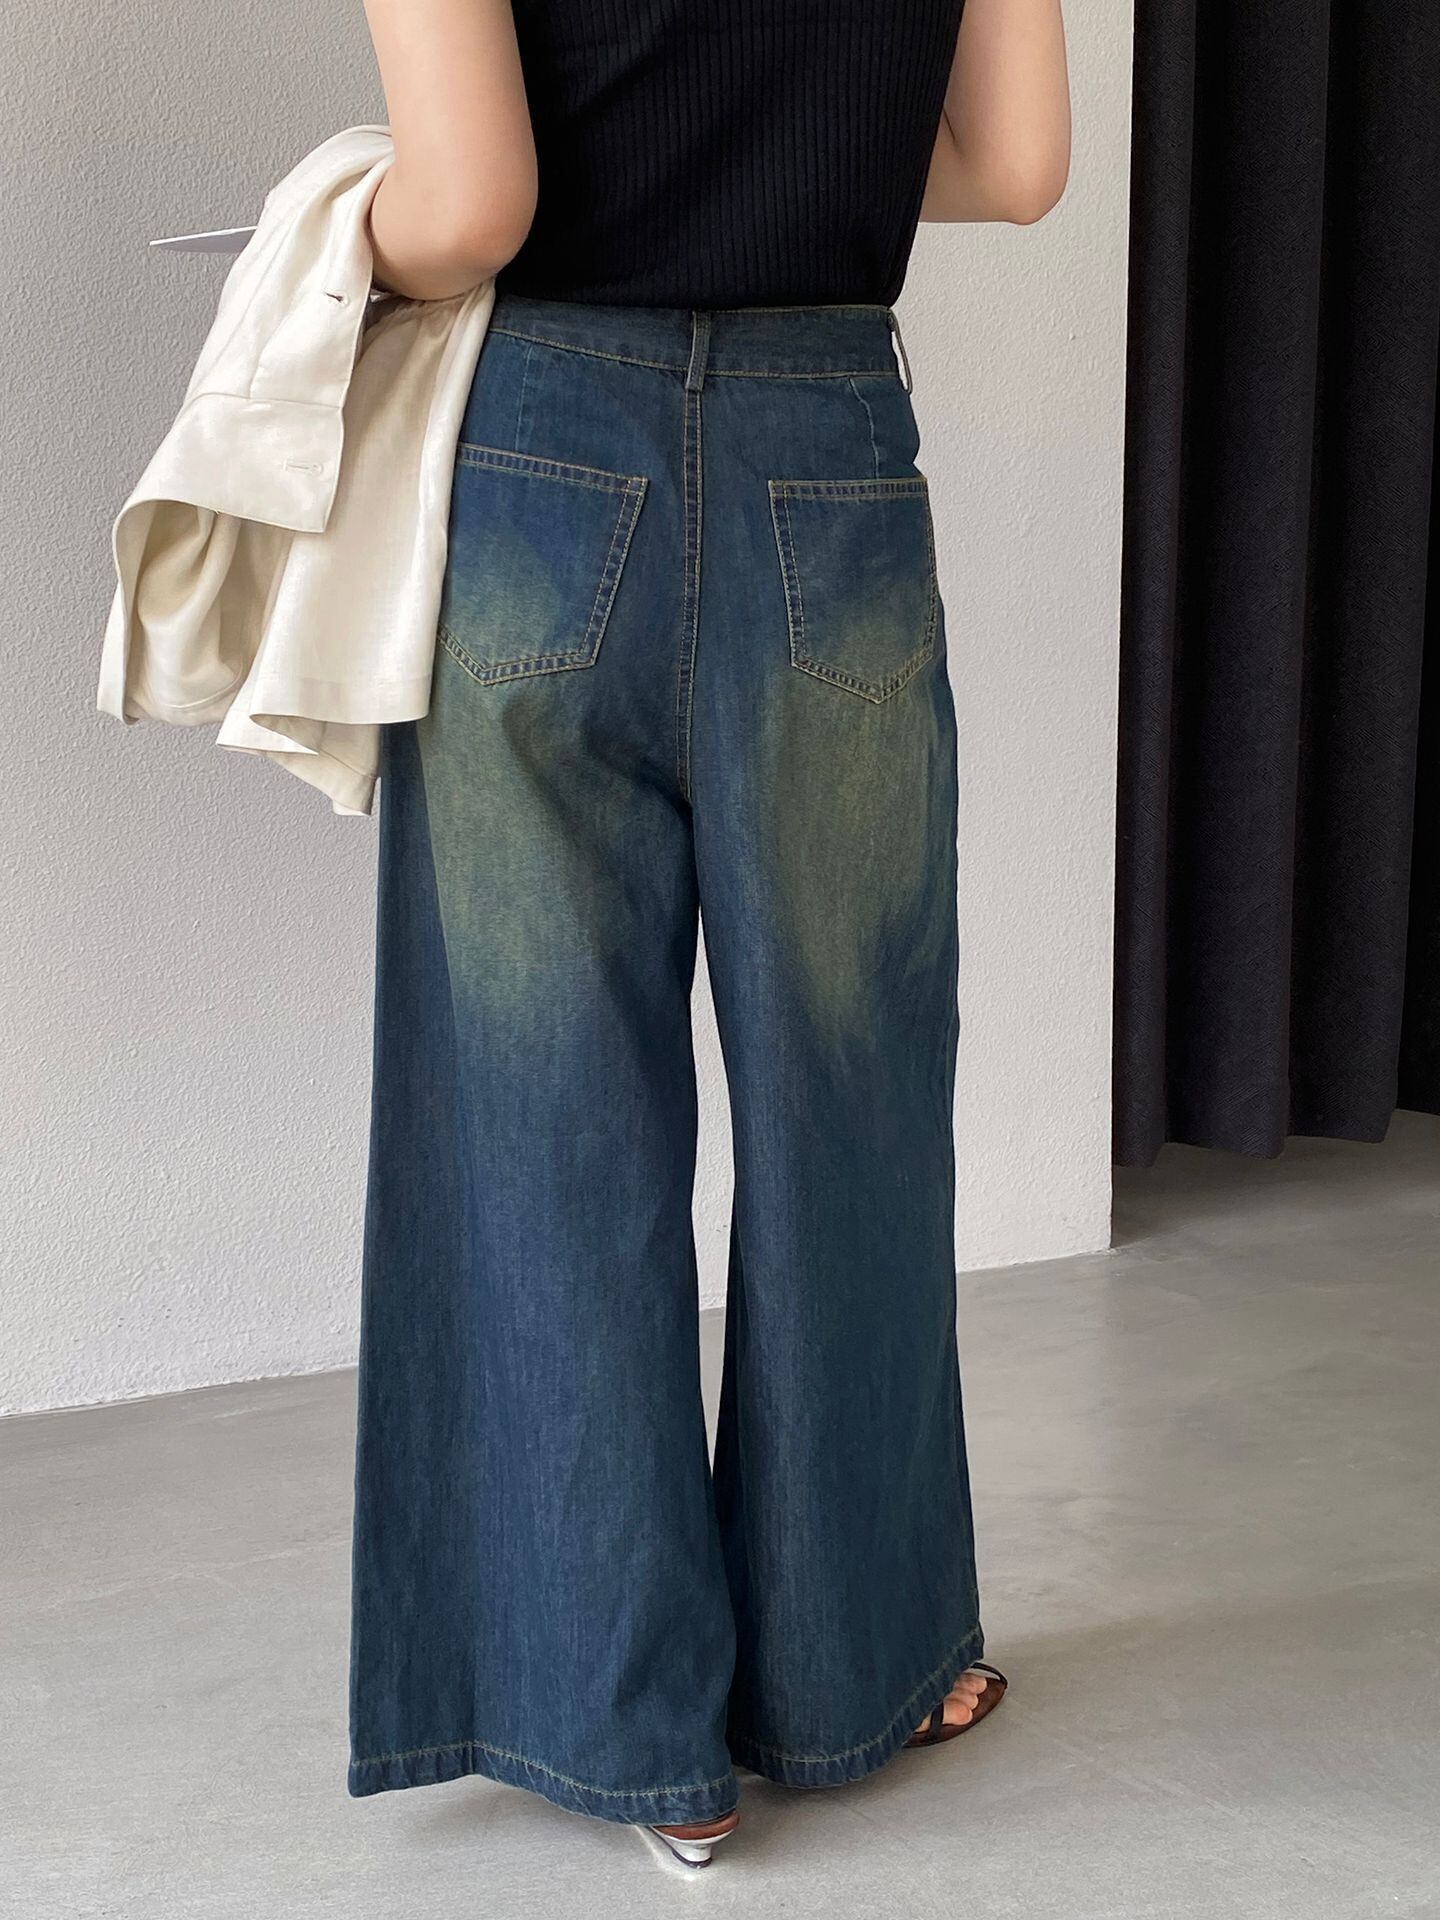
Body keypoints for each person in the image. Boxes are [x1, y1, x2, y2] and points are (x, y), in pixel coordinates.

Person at [348, 0, 1070, 1870]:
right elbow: (1017, 166)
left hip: (541, 466)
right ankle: (860, 1672)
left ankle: (627, 1730)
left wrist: (341, 229)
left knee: (544, 1112)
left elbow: (473, 201)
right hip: (828, 458)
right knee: (854, 1101)